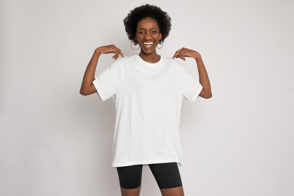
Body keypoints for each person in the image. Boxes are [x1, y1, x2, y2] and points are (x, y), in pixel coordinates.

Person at [80, 4, 212, 196]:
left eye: (153, 32)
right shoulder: (123, 67)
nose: (147, 37)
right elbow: (85, 89)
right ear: (134, 35)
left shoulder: (174, 69)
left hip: (163, 149)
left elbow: (206, 93)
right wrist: (98, 52)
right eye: (141, 32)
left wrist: (198, 58)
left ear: (161, 35)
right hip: (129, 149)